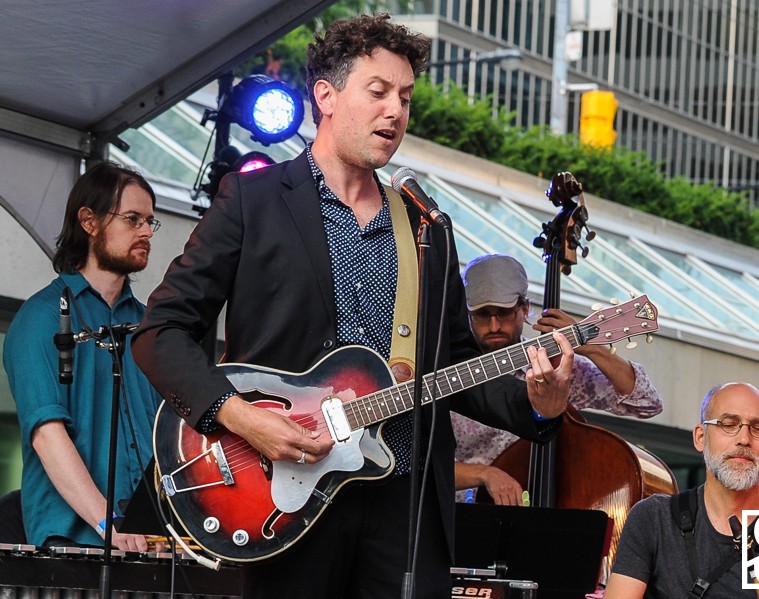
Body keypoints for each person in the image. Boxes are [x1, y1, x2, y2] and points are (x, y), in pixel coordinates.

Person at [131, 14, 574, 599]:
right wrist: (241, 417)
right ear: (326, 97)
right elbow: (160, 332)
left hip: (404, 503)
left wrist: (539, 404)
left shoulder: (426, 227)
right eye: (379, 91)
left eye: (405, 98)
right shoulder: (253, 199)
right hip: (284, 491)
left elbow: (453, 364)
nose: (396, 111)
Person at [3, 161, 161, 551]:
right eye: (132, 219)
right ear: (89, 221)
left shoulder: (151, 327)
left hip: (151, 540)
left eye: (149, 221)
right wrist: (108, 522)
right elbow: (47, 435)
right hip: (73, 542)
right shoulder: (40, 317)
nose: (146, 231)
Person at [452, 254, 663, 504]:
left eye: (504, 313)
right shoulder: (450, 373)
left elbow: (646, 403)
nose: (494, 325)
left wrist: (589, 346)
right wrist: (485, 474)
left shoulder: (556, 368)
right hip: (462, 515)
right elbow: (420, 462)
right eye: (483, 315)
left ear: (525, 309)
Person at [604, 382, 759, 598]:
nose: (744, 439)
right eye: (729, 424)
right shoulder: (655, 518)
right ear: (700, 437)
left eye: (757, 428)